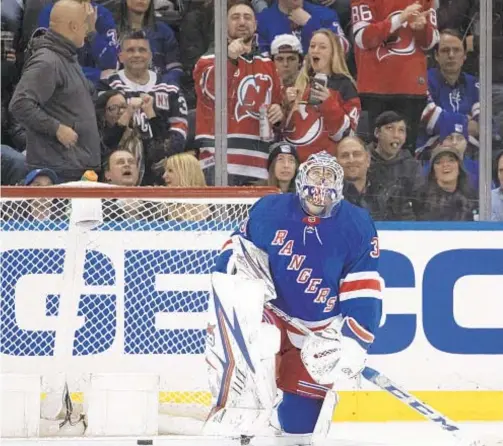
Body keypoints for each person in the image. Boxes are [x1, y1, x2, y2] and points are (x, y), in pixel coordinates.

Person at [206, 151, 383, 441]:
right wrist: (230, 266)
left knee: (299, 424)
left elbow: (363, 290)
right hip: (269, 314)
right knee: (259, 341)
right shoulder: (270, 210)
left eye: (327, 192)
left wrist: (352, 344)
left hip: (318, 330)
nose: (318, 201)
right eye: (314, 189)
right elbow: (237, 247)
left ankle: (281, 423)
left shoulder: (357, 224)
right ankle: (239, 415)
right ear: (301, 184)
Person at [9, 0, 101, 182]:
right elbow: (19, 103)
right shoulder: (48, 62)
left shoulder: (65, 56)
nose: (87, 30)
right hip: (58, 170)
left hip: (74, 167)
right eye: (84, 25)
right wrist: (56, 128)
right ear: (74, 26)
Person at [194, 1, 284, 186]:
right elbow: (212, 92)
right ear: (224, 25)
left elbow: (276, 103)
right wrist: (228, 58)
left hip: (258, 161)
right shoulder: (208, 60)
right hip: (219, 161)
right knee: (220, 215)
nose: (242, 22)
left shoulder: (268, 64)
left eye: (247, 17)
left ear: (256, 25)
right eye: (235, 17)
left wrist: (279, 110)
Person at [351, 0, 439, 152]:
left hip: (411, 89)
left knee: (405, 155)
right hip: (374, 89)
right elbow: (363, 38)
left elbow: (430, 43)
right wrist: (400, 19)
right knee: (373, 154)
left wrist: (421, 28)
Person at [283, 29, 360, 161]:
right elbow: (285, 130)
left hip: (323, 165)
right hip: (292, 165)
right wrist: (285, 105)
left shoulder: (345, 86)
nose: (315, 50)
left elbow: (347, 135)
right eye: (312, 46)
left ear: (333, 54)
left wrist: (328, 103)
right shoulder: (299, 83)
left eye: (322, 47)